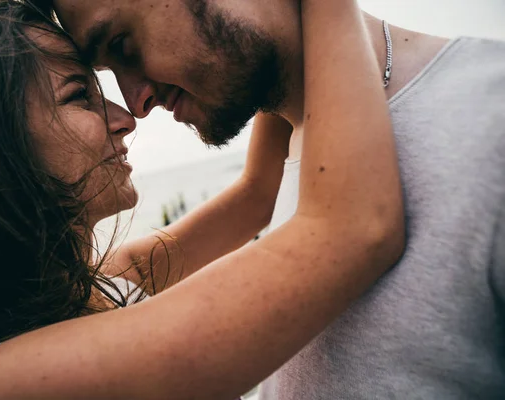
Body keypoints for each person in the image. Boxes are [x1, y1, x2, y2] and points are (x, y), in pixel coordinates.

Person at [0, 0, 404, 399]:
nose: (125, 116)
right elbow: (351, 229)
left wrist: (263, 32)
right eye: (79, 94)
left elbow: (255, 198)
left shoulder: (108, 289)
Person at [47, 0, 505, 397]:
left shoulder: (489, 118)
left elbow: (255, 195)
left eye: (124, 47)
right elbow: (343, 231)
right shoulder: (11, 366)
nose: (133, 107)